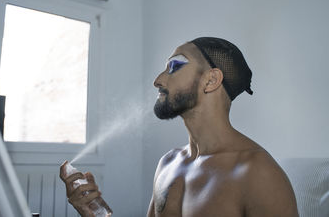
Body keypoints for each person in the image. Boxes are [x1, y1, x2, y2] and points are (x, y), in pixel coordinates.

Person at [60, 37, 299, 217]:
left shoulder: (257, 173)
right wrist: (96, 211)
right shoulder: (168, 163)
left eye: (174, 66)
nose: (158, 80)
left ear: (211, 80)